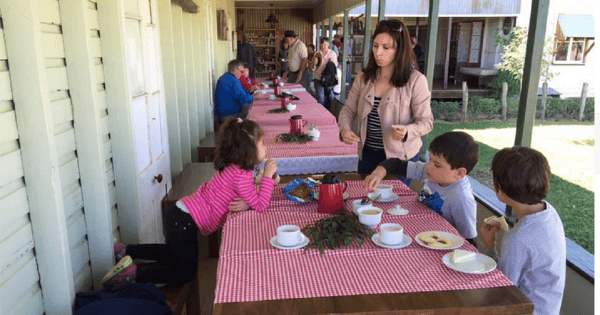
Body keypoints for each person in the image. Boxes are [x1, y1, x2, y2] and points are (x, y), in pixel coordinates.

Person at [102, 118, 279, 287]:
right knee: (185, 272)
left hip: (181, 214)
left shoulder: (236, 168)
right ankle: (133, 275)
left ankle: (126, 252)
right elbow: (261, 205)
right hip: (185, 222)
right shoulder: (241, 175)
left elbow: (250, 198)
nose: (265, 147)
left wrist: (252, 197)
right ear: (247, 150)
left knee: (172, 253)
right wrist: (268, 177)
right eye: (262, 143)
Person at [338, 19, 433, 174]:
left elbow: (427, 121)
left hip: (399, 159)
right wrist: (344, 129)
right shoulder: (364, 77)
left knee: (397, 198)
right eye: (375, 46)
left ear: (400, 49)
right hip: (367, 154)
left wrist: (407, 131)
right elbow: (348, 110)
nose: (378, 52)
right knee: (365, 196)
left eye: (386, 47)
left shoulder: (415, 80)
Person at [480, 147, 565, 315]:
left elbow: (503, 288)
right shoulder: (549, 212)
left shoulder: (517, 238)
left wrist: (490, 245)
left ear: (500, 192)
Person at [363, 132, 480, 244]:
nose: (429, 166)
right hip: (417, 226)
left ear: (459, 173)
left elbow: (468, 240)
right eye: (430, 159)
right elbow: (395, 164)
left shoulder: (462, 199)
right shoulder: (431, 172)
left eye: (437, 165)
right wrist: (378, 173)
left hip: (437, 241)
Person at [312, 37, 338, 109]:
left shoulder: (332, 54)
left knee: (330, 97)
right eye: (322, 44)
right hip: (318, 78)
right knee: (320, 97)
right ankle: (321, 113)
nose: (323, 46)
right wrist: (312, 67)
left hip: (329, 79)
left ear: (328, 45)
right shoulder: (317, 53)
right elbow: (313, 66)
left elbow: (334, 67)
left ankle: (329, 112)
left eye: (325, 44)